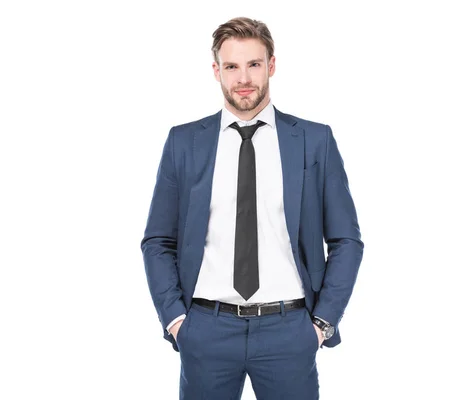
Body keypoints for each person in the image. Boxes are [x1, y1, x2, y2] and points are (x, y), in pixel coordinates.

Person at [140, 16, 363, 399]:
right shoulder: (184, 143)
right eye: (231, 66)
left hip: (289, 330)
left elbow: (346, 240)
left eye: (254, 64)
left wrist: (321, 323)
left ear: (271, 65)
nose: (243, 78)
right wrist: (177, 321)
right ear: (217, 71)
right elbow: (158, 241)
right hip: (207, 330)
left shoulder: (314, 140)